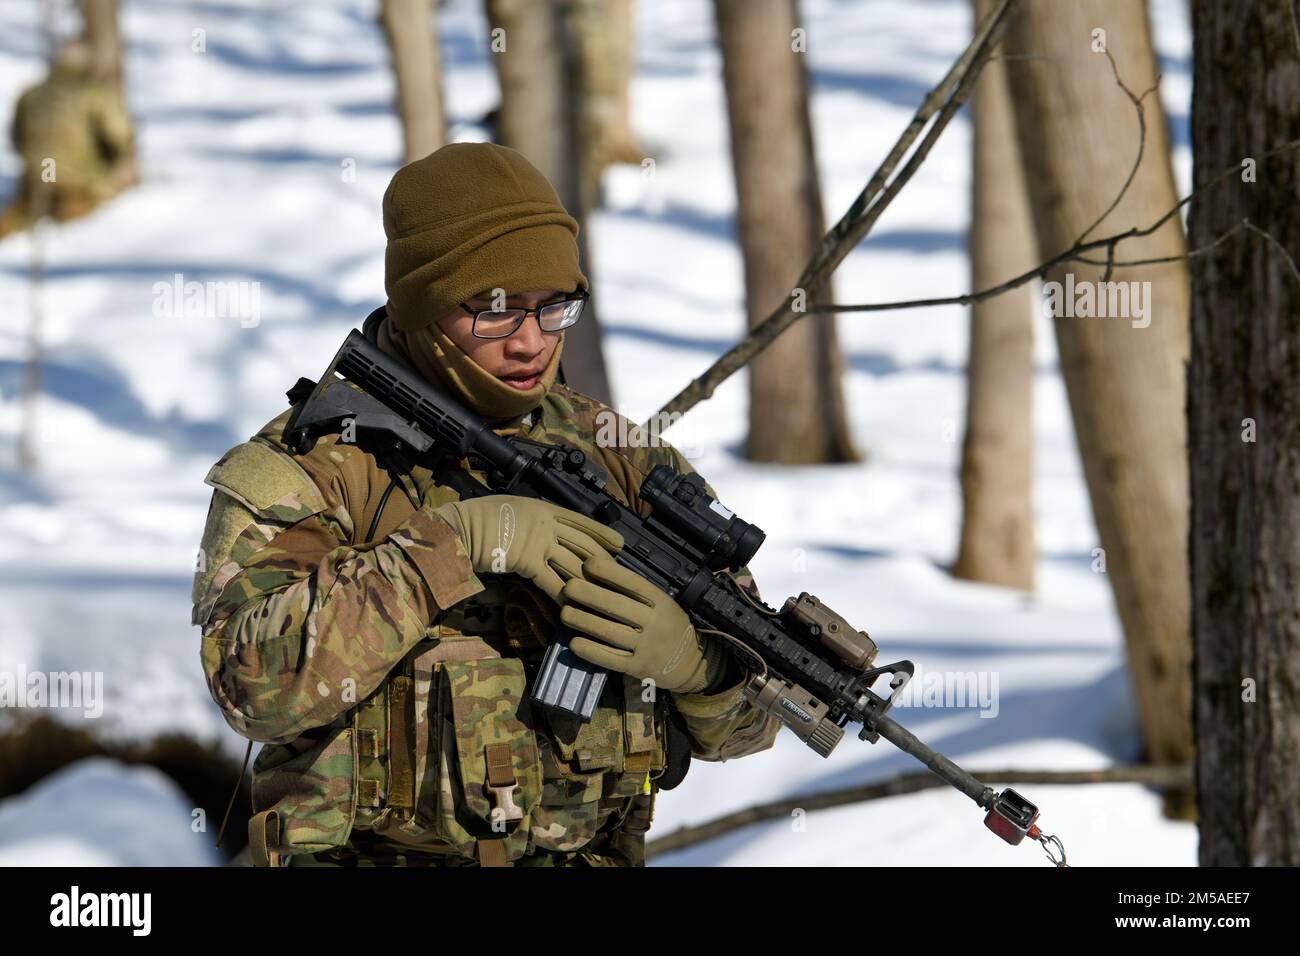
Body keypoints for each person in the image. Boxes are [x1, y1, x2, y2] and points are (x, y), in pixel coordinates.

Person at [192, 142, 780, 867]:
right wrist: (451, 545)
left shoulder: (626, 461)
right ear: (424, 300)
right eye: (495, 311)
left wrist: (702, 670)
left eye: (554, 307)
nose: (531, 342)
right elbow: (251, 688)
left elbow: (761, 722)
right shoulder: (317, 465)